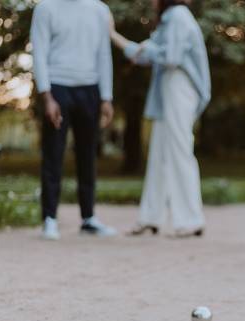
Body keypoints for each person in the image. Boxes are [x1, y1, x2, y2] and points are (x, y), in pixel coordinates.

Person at [110, 0, 211, 238]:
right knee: (159, 154)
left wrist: (146, 49)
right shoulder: (169, 21)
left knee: (179, 151)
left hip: (179, 85)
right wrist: (112, 34)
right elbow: (143, 56)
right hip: (169, 87)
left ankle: (191, 219)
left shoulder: (178, 15)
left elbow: (171, 57)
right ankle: (150, 217)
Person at [30, 0, 117, 240]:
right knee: (53, 154)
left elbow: (104, 54)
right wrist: (46, 96)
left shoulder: (99, 10)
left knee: (88, 154)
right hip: (58, 87)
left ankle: (88, 217)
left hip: (90, 88)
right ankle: (49, 218)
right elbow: (39, 51)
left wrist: (106, 97)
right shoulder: (45, 8)